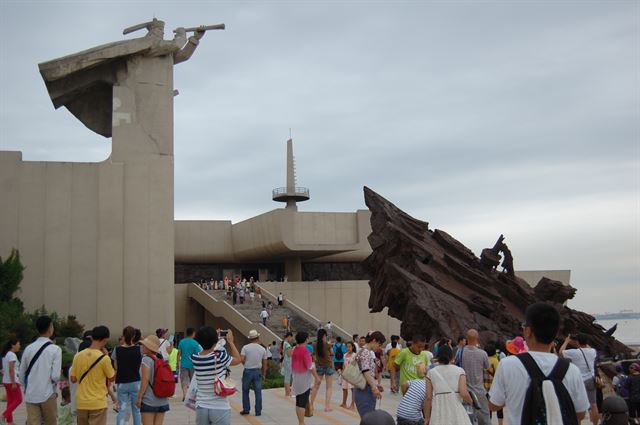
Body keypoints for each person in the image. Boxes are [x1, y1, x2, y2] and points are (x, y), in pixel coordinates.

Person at [489, 302, 590, 425]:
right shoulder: (572, 370)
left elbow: (494, 405)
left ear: (528, 331)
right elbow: (580, 413)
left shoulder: (507, 365)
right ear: (555, 334)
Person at [191, 327, 242, 425]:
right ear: (215, 341)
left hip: (201, 406)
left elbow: (204, 348)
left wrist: (213, 338)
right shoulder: (220, 356)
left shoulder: (195, 358)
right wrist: (230, 342)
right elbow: (238, 359)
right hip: (219, 406)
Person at [19, 315, 62, 425]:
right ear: (50, 328)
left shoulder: (28, 348)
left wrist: (27, 388)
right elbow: (56, 376)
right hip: (47, 393)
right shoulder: (55, 349)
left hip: (31, 394)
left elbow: (21, 374)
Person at [70, 325, 116, 425]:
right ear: (105, 339)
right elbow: (112, 378)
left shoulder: (77, 356)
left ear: (92, 337)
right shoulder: (104, 358)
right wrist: (107, 355)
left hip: (81, 402)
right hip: (98, 403)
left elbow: (73, 379)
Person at [423, 345, 472, 425]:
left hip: (438, 412)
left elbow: (428, 398)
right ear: (452, 357)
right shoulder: (460, 371)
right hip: (456, 411)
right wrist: (471, 401)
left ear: (437, 357)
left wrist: (427, 418)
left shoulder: (431, 373)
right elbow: (463, 393)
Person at [560, 333, 600, 425]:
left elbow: (561, 352)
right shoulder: (593, 351)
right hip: (591, 380)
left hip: (579, 381)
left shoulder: (574, 352)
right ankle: (595, 424)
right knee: (593, 404)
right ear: (587, 342)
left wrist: (567, 341)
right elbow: (588, 348)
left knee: (576, 406)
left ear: (577, 341)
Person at [458, 329, 491, 425]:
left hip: (465, 391)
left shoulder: (460, 352)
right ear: (477, 339)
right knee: (485, 417)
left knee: (467, 418)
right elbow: (487, 367)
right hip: (480, 391)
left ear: (466, 339)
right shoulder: (483, 353)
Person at [136, 335, 170, 424]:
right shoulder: (160, 359)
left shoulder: (146, 360)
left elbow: (145, 380)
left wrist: (139, 397)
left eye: (144, 345)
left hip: (149, 400)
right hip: (163, 401)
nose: (142, 346)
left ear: (148, 347)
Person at [113, 325, 142, 425]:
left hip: (122, 382)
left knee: (122, 409)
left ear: (123, 336)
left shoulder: (117, 349)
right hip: (135, 382)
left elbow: (116, 366)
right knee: (136, 410)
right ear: (134, 336)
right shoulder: (140, 350)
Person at [354, 331, 386, 418]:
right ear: (374, 340)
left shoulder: (363, 351)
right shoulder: (366, 352)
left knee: (368, 418)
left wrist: (375, 385)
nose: (379, 347)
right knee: (368, 418)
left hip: (364, 388)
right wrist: (374, 387)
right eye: (379, 344)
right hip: (365, 390)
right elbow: (365, 371)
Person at [291, 331, 321, 425]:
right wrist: (317, 378)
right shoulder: (305, 351)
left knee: (298, 401)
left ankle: (300, 422)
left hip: (296, 378)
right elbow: (310, 367)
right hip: (304, 380)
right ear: (306, 339)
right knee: (302, 402)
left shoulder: (295, 349)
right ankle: (301, 423)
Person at [240, 330, 268, 416]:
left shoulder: (245, 347)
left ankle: (246, 409)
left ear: (250, 339)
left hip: (247, 371)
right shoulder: (262, 349)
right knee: (258, 392)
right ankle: (258, 411)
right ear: (258, 338)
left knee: (245, 391)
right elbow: (265, 363)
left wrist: (246, 364)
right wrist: (264, 374)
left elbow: (242, 359)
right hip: (257, 371)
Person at [311, 328, 335, 412]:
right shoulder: (327, 345)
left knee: (316, 386)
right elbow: (332, 353)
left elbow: (313, 354)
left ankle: (311, 405)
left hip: (319, 366)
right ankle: (327, 406)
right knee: (329, 387)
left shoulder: (314, 344)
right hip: (328, 366)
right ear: (324, 336)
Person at [177, 327, 202, 401]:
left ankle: (185, 395)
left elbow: (179, 353)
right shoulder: (195, 343)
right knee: (192, 381)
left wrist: (177, 362)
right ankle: (192, 396)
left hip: (183, 364)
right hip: (193, 365)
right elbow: (198, 354)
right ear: (193, 333)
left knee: (184, 380)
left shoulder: (181, 342)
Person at [2, 337, 22, 425]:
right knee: (18, 400)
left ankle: (10, 422)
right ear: (13, 345)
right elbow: (11, 369)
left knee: (10, 401)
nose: (19, 346)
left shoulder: (6, 355)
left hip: (6, 381)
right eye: (18, 344)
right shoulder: (12, 355)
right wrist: (14, 383)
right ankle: (4, 415)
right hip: (12, 382)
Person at [483, 343, 503, 425]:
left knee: (488, 408)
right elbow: (498, 374)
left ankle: (489, 422)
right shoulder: (495, 360)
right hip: (494, 387)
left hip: (484, 386)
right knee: (499, 407)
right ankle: (500, 423)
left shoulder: (483, 360)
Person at [340, 341, 357, 410]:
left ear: (352, 347)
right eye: (347, 347)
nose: (348, 348)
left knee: (353, 389)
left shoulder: (354, 355)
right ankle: (344, 403)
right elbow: (343, 365)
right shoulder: (344, 355)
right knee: (344, 388)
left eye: (350, 347)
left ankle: (352, 404)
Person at [282, 332, 294, 397]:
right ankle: (288, 393)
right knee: (287, 378)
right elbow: (289, 355)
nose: (291, 339)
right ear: (289, 336)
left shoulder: (284, 343)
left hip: (286, 362)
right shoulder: (287, 345)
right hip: (288, 362)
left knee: (286, 378)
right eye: (291, 337)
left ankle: (287, 392)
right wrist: (293, 351)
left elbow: (284, 354)